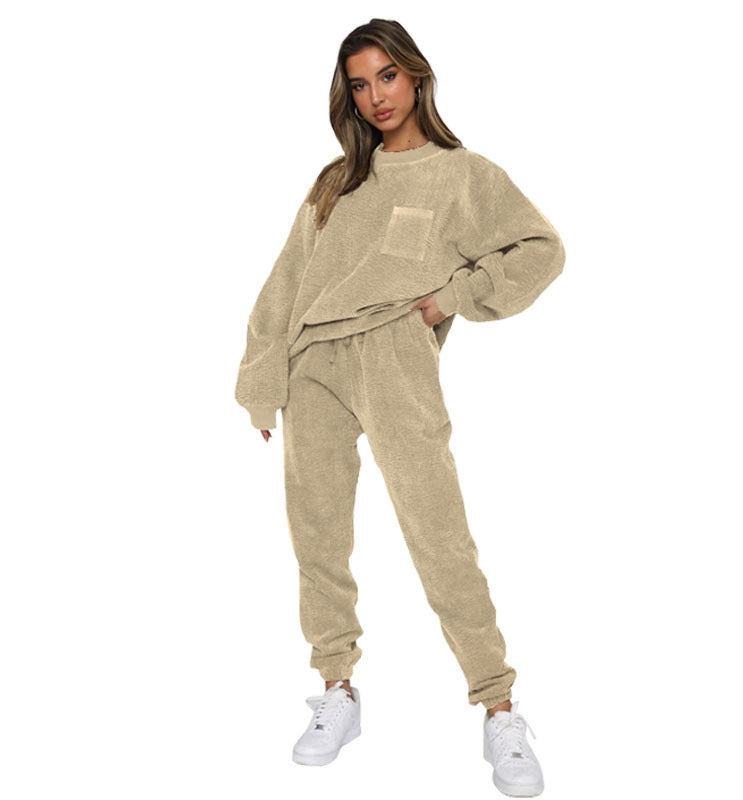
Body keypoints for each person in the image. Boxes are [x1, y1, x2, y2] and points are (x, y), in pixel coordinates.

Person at [234, 18, 565, 798]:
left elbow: (541, 249)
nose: (376, 96)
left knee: (437, 533)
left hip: (394, 354)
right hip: (313, 362)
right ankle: (336, 688)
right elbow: (287, 281)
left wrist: (450, 299)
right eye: (359, 83)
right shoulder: (335, 181)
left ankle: (498, 704)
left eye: (387, 76)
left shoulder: (462, 174)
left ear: (416, 76)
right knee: (317, 532)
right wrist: (261, 380)